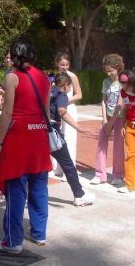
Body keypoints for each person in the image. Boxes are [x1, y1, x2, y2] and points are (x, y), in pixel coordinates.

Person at [0, 38, 52, 254]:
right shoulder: (44, 77)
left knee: (16, 188)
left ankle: (13, 240)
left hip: (20, 136)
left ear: (14, 55)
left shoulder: (12, 77)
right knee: (39, 186)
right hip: (40, 135)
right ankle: (39, 233)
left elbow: (7, 112)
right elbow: (46, 109)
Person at [50, 73, 95, 206]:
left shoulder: (48, 90)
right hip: (52, 133)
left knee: (27, 163)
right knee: (68, 164)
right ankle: (79, 195)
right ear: (67, 86)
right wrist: (78, 127)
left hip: (37, 130)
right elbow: (62, 111)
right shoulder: (62, 95)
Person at [90, 54, 125, 186]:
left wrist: (111, 122)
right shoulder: (106, 82)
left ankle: (118, 174)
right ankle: (100, 174)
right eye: (106, 71)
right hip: (107, 118)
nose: (108, 73)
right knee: (101, 145)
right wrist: (105, 120)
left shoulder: (123, 82)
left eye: (111, 70)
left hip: (120, 117)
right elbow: (103, 101)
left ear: (118, 68)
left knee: (118, 147)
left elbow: (120, 104)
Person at [53, 52, 82, 178]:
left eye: (66, 64)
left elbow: (79, 94)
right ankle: (58, 168)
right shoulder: (55, 77)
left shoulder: (72, 76)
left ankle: (69, 170)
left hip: (69, 109)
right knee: (58, 139)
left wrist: (65, 101)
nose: (64, 67)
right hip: (57, 113)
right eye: (61, 65)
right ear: (57, 64)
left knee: (70, 139)